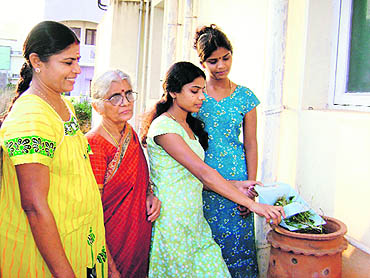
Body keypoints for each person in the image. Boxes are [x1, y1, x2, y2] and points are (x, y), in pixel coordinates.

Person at [140, 61, 284, 278]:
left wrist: (236, 184)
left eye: (203, 91)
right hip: (174, 222)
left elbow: (193, 177)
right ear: (173, 92)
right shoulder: (164, 128)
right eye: (194, 91)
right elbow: (202, 172)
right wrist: (253, 206)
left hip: (195, 218)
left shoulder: (188, 126)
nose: (202, 97)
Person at [0, 21, 107, 278]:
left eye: (77, 60)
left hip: (81, 248)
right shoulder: (31, 117)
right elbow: (34, 207)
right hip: (44, 262)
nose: (78, 69)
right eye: (68, 62)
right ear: (37, 61)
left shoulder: (61, 105)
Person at [193, 24, 263, 277]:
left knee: (237, 244)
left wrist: (250, 186)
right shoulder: (195, 95)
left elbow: (251, 143)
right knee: (204, 243)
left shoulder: (245, 97)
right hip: (201, 175)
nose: (221, 66)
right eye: (213, 61)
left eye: (226, 58)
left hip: (238, 175)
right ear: (202, 62)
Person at [86, 69, 161, 278]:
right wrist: (109, 267)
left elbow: (141, 179)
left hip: (138, 238)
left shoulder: (130, 134)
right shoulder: (94, 144)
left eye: (128, 94)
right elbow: (92, 212)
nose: (126, 102)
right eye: (116, 97)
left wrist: (149, 195)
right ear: (97, 105)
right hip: (110, 244)